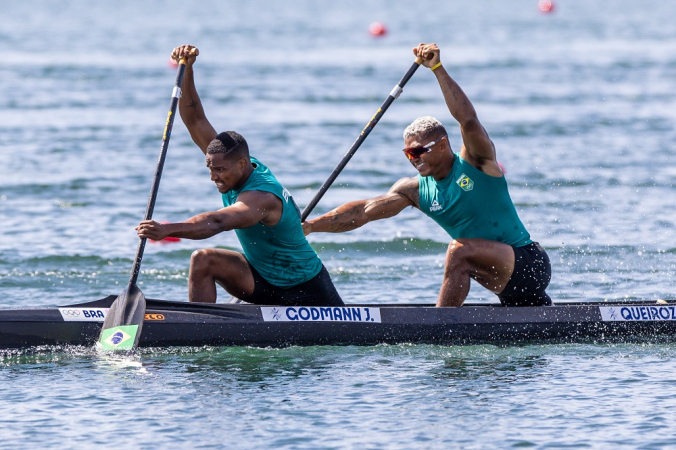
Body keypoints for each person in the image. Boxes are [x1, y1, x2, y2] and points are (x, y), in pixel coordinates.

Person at [303, 43, 551, 307]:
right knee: (465, 256)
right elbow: (364, 211)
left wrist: (437, 69)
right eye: (409, 154)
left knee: (459, 252)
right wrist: (311, 226)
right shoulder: (414, 190)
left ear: (443, 145)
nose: (414, 159)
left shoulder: (476, 162)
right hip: (502, 279)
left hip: (529, 263)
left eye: (419, 151)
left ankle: (440, 327)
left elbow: (467, 119)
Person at [136, 45, 343, 307]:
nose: (213, 177)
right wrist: (187, 69)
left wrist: (167, 230)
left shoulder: (261, 197)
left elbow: (218, 222)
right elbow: (195, 120)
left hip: (307, 291)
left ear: (243, 165)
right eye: (210, 169)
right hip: (262, 280)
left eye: (219, 170)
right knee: (202, 260)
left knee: (206, 250)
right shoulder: (229, 158)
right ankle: (202, 332)